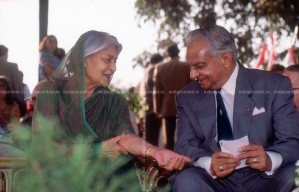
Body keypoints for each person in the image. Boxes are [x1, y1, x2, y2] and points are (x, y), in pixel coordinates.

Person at [33, 31, 191, 176]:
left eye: (115, 61)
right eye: (107, 60)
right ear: (84, 59)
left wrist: (154, 152)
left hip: (103, 176)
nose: (114, 67)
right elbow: (46, 147)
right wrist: (96, 150)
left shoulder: (113, 100)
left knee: (119, 166)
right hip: (63, 176)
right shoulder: (52, 93)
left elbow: (125, 137)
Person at [170, 25, 299, 192]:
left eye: (200, 66)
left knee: (295, 175)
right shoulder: (187, 97)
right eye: (191, 66)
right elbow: (184, 145)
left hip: (268, 178)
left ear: (225, 59)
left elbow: (292, 141)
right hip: (214, 181)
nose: (192, 75)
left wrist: (270, 159)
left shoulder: (274, 85)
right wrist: (209, 163)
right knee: (187, 180)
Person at [154, 44, 192, 150]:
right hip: (186, 108)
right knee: (186, 139)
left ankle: (170, 164)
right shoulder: (187, 66)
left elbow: (157, 91)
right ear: (179, 52)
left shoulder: (160, 68)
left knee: (168, 141)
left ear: (167, 54)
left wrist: (157, 109)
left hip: (167, 108)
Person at [140, 54, 164, 146]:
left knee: (149, 138)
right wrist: (158, 108)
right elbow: (156, 90)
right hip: (152, 107)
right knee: (152, 139)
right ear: (160, 60)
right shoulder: (154, 69)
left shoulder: (146, 70)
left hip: (146, 106)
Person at [0, 45, 26, 117]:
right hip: (9, 104)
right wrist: (22, 105)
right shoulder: (12, 66)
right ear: (6, 54)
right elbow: (18, 87)